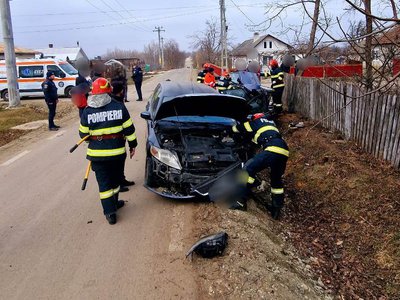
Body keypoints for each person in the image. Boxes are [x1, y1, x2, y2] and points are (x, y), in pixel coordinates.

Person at [79, 77, 137, 225]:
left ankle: (110, 212)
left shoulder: (87, 111)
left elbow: (83, 135)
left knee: (104, 184)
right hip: (117, 153)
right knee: (116, 180)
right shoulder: (118, 106)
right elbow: (129, 129)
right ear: (108, 91)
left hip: (97, 156)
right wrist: (132, 145)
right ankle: (114, 204)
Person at [231, 113, 289, 219]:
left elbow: (238, 128)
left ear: (256, 118)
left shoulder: (257, 122)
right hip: (284, 151)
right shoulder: (271, 124)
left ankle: (240, 201)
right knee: (276, 180)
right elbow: (255, 140)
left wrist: (229, 129)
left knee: (247, 169)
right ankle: (276, 210)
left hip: (272, 149)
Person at [110, 80, 136, 192]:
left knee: (120, 161)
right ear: (121, 91)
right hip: (114, 139)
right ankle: (117, 184)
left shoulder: (116, 101)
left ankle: (121, 180)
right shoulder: (116, 104)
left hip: (119, 138)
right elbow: (128, 126)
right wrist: (133, 144)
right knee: (116, 163)